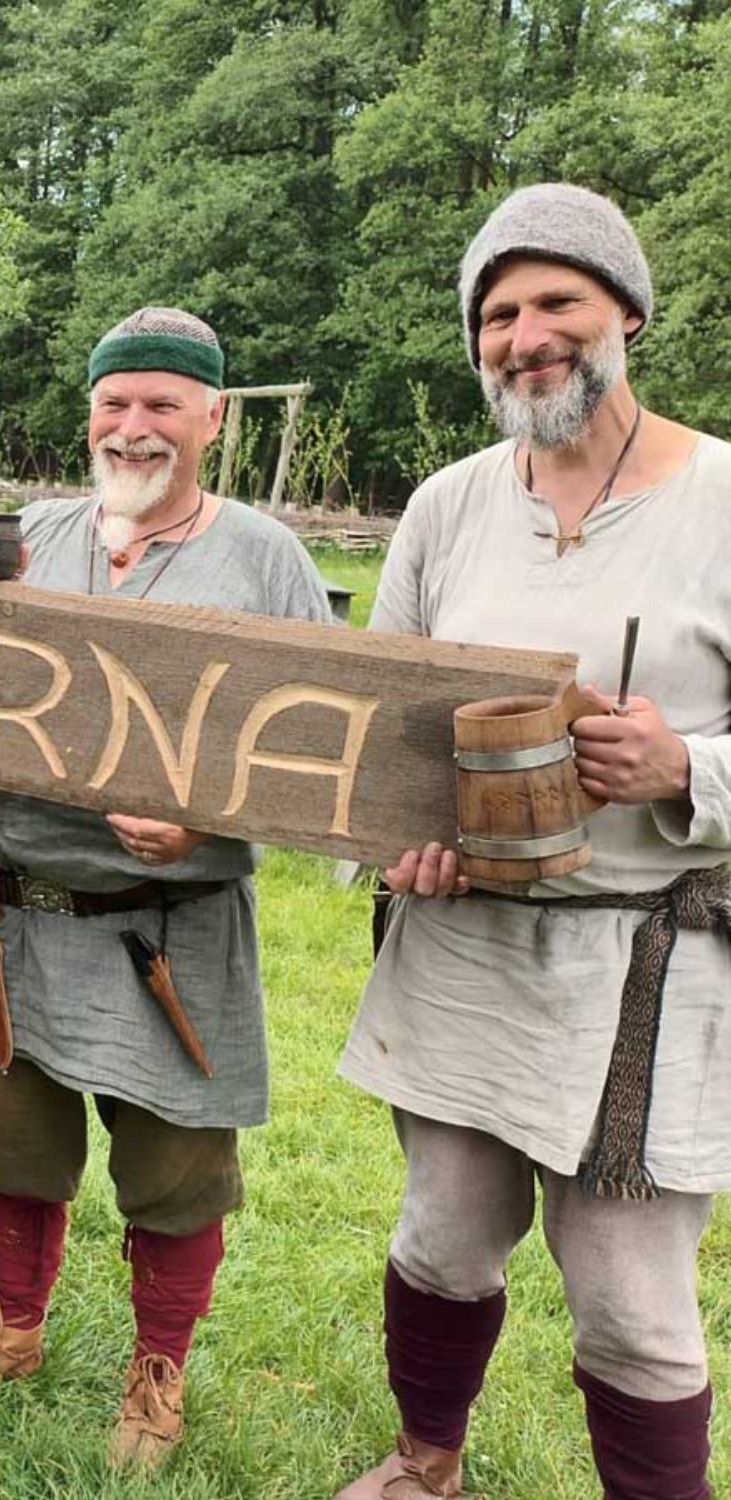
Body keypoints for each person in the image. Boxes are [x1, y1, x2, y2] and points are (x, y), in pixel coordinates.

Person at [335, 184, 731, 1500]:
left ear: (625, 310)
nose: (525, 333)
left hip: (646, 966)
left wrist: (686, 766)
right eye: (498, 312)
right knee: (441, 1239)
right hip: (460, 949)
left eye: (557, 299)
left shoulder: (724, 498)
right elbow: (372, 727)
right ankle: (423, 1466)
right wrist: (399, 841)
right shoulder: (448, 506)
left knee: (628, 1301)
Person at [0, 307, 334, 1468]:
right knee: (14, 1145)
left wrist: (210, 818)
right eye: (115, 403)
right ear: (88, 414)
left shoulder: (265, 560)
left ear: (211, 417)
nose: (134, 426)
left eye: (161, 405)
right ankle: (13, 1330)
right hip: (24, 914)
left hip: (171, 929)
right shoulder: (23, 537)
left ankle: (157, 1375)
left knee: (177, 1169)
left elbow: (319, 749)